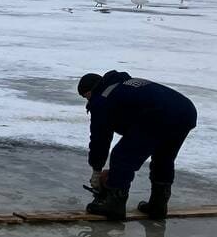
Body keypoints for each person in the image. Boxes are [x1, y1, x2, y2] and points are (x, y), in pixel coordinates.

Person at [77, 70, 198, 221]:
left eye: (85, 96)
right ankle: (158, 206)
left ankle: (114, 206)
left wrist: (96, 169)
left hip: (159, 113)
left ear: (89, 91)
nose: (87, 100)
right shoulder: (122, 86)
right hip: (185, 111)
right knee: (163, 157)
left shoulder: (102, 99)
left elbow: (100, 139)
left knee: (121, 157)